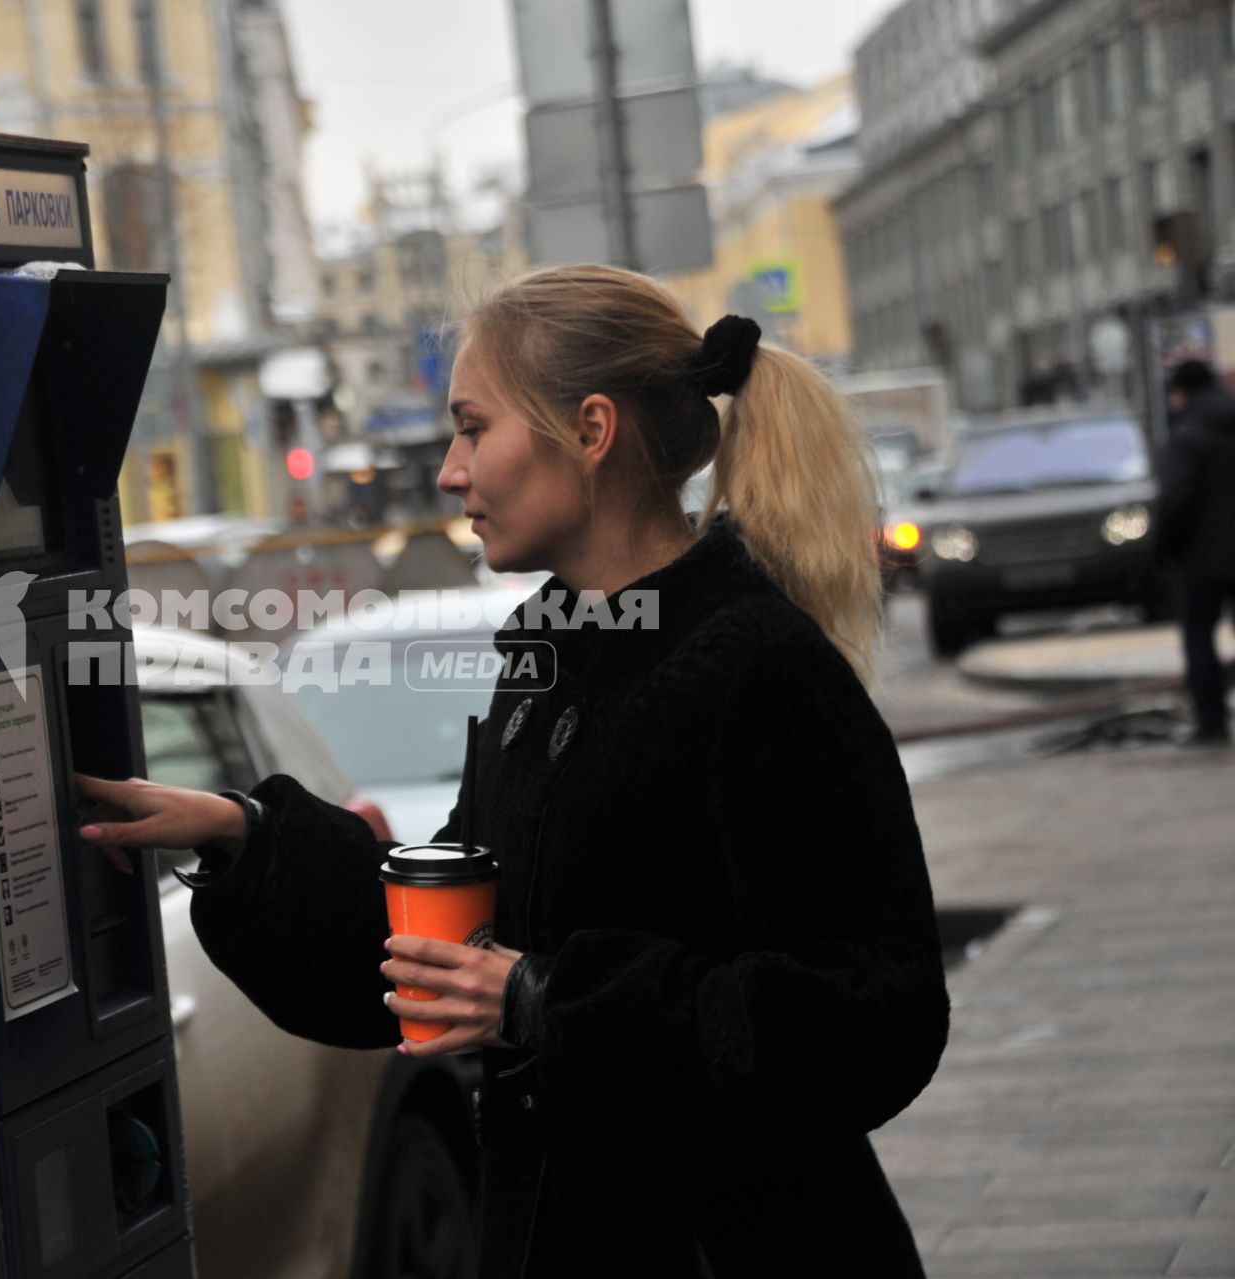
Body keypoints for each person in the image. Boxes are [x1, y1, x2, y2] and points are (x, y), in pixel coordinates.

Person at [77, 266, 950, 1277]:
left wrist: (546, 1001)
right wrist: (245, 839)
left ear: (589, 430)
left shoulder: (755, 669)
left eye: (472, 427)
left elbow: (874, 1011)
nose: (451, 470)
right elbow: (443, 946)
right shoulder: (547, 669)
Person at [1156, 359, 1235, 746]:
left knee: (1199, 639)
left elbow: (1175, 501)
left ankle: (1211, 721)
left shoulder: (1186, 434)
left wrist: (1162, 552)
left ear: (1181, 392)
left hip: (1203, 560)